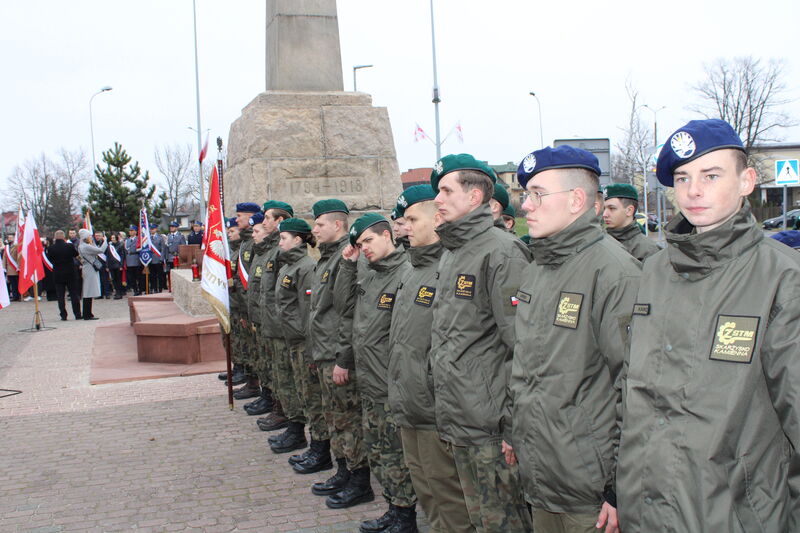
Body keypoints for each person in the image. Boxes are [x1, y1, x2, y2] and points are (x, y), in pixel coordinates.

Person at [617, 119, 800, 532]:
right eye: (682, 178)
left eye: (711, 175)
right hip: (643, 509)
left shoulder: (782, 278)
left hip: (730, 515)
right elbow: (631, 389)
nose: (693, 191)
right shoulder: (654, 271)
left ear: (747, 181)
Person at [510, 146, 640, 533]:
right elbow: (526, 366)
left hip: (589, 489)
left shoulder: (615, 273)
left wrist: (618, 487)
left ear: (576, 200)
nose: (525, 207)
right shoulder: (539, 269)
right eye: (525, 195)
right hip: (543, 474)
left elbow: (634, 387)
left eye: (537, 194)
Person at [429, 153, 532, 532]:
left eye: (445, 190)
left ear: (474, 197)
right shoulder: (453, 252)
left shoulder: (501, 252)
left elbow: (521, 346)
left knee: (503, 521)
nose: (437, 199)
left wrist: (512, 426)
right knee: (480, 518)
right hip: (460, 416)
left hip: (490, 426)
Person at [387, 185, 473, 533]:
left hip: (437, 410)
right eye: (402, 220)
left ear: (437, 219)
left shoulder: (449, 266)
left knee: (450, 499)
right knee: (428, 495)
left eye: (411, 219)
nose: (403, 227)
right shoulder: (410, 269)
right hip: (410, 405)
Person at [337, 213, 417, 532]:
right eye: (359, 244)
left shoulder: (406, 272)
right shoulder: (369, 273)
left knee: (396, 456)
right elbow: (342, 305)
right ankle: (394, 509)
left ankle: (405, 517)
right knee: (380, 452)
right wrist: (347, 264)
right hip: (370, 380)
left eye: (368, 240)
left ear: (388, 235)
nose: (364, 248)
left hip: (391, 384)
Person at [307, 199, 372, 509]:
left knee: (348, 419)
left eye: (320, 224)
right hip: (325, 351)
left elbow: (348, 311)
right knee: (335, 418)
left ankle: (360, 481)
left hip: (338, 353)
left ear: (338, 225)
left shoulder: (349, 259)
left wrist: (342, 358)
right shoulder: (327, 258)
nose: (315, 229)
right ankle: (344, 470)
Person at [274, 218, 332, 474]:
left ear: (297, 240)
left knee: (312, 398)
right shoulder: (290, 265)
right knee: (303, 395)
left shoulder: (305, 267)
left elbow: (308, 312)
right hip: (293, 341)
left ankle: (321, 450)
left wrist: (308, 346)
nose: (279, 243)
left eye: (283, 238)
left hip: (304, 343)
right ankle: (313, 444)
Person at [257, 202, 307, 454]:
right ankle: (289, 421)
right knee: (282, 378)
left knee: (289, 380)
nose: (263, 222)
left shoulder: (288, 258)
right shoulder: (279, 254)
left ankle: (295, 427)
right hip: (276, 327)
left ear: (280, 221)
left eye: (268, 218)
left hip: (286, 331)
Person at [240, 211, 275, 417]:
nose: (253, 235)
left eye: (257, 230)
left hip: (271, 323)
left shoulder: (271, 254)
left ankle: (277, 406)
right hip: (259, 317)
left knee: (275, 369)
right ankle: (267, 396)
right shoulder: (260, 253)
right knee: (264, 363)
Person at [229, 203, 261, 395]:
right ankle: (251, 381)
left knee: (255, 351)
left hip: (251, 308)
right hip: (242, 306)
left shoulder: (253, 244)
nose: (238, 219)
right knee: (248, 347)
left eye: (240, 216)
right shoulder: (244, 244)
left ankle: (255, 385)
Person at [602, 183, 660, 262]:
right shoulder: (600, 241)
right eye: (604, 208)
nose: (604, 214)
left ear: (629, 210)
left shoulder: (648, 250)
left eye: (611, 208)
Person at [47, 230, 82, 319]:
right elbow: (76, 254)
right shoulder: (69, 246)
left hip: (58, 273)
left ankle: (63, 315)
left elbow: (50, 259)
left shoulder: (51, 248)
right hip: (70, 273)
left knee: (60, 296)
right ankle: (77, 314)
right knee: (74, 294)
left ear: (55, 237)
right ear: (64, 237)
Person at [77, 228, 107, 320]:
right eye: (89, 236)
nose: (91, 237)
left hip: (87, 268)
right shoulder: (85, 246)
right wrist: (105, 241)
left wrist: (92, 242)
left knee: (88, 291)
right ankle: (87, 314)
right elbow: (101, 250)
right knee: (88, 291)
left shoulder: (82, 245)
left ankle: (88, 313)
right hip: (90, 269)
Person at [93, 230, 112, 298]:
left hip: (104, 263)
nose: (97, 237)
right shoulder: (93, 243)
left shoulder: (105, 244)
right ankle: (100, 294)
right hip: (96, 262)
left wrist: (107, 265)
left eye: (99, 236)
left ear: (102, 236)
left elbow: (108, 255)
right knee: (98, 279)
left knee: (105, 279)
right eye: (96, 236)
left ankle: (107, 293)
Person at [124, 226, 142, 296]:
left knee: (138, 276)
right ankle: (135, 289)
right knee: (131, 277)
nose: (130, 232)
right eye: (130, 230)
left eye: (132, 230)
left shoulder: (138, 239)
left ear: (136, 231)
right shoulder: (126, 240)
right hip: (129, 259)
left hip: (136, 258)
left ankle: (140, 289)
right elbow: (125, 251)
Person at [148, 224, 165, 293]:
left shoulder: (160, 238)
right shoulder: (148, 238)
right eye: (151, 229)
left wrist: (161, 258)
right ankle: (154, 288)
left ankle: (160, 288)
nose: (152, 230)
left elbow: (163, 249)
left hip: (158, 258)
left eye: (153, 229)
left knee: (159, 275)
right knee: (152, 275)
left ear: (156, 229)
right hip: (150, 259)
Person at [3, 235, 20, 302]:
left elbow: (19, 257)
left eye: (11, 238)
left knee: (17, 283)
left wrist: (19, 266)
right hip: (9, 269)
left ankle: (18, 296)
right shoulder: (7, 247)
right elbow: (4, 257)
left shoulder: (17, 247)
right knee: (12, 284)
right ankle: (14, 296)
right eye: (8, 238)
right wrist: (4, 267)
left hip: (15, 268)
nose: (9, 239)